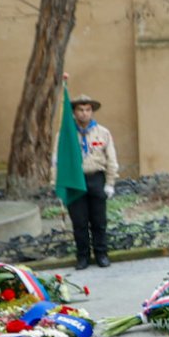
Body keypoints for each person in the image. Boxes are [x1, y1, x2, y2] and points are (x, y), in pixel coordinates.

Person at [66, 93, 118, 269]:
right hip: (75, 180)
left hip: (96, 178)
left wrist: (110, 183)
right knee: (79, 222)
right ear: (74, 112)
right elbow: (58, 160)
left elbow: (111, 159)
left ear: (92, 112)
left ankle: (101, 254)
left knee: (98, 220)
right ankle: (82, 257)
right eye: (80, 110)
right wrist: (57, 185)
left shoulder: (102, 133)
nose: (84, 114)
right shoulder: (66, 134)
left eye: (88, 110)